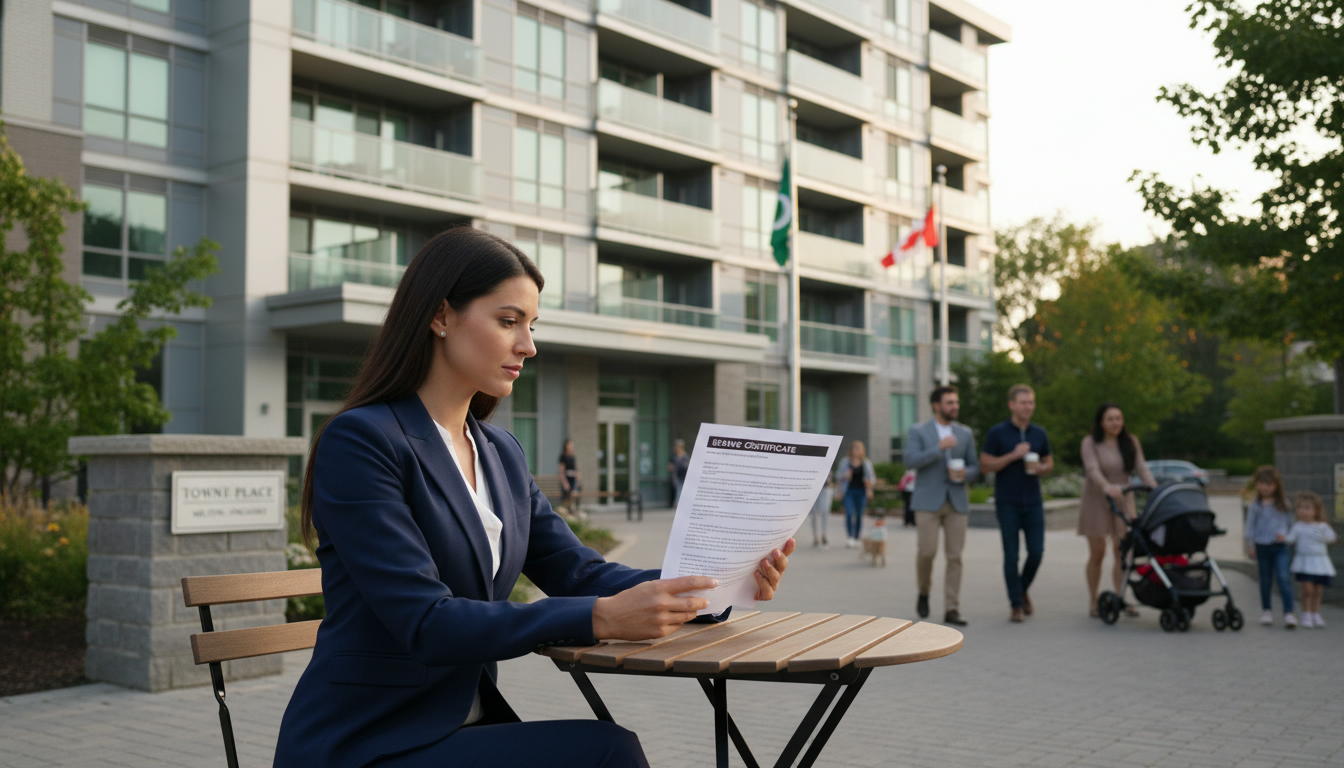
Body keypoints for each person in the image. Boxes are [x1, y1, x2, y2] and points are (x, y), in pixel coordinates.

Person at [273, 228, 796, 768]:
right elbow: (427, 622)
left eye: (531, 324)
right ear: (441, 316)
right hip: (366, 742)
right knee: (607, 752)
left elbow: (579, 572)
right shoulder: (362, 441)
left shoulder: (499, 451)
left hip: (457, 731)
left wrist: (711, 582)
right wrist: (598, 618)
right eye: (508, 321)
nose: (528, 344)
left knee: (606, 747)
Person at [979, 384, 1054, 623]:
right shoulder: (998, 433)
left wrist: (1042, 468)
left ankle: (1021, 590)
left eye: (1031, 403)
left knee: (1037, 553)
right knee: (1011, 556)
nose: (1028, 407)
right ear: (1012, 405)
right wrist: (1013, 455)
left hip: (1033, 502)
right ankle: (1015, 604)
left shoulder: (1039, 433)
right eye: (1023, 403)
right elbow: (985, 464)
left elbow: (1049, 462)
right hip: (1007, 502)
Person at [905, 385, 979, 627]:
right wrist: (938, 448)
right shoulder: (919, 431)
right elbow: (910, 460)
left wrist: (965, 474)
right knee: (927, 552)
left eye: (956, 402)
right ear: (936, 405)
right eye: (949, 403)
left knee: (955, 556)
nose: (955, 406)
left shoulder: (965, 433)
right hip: (927, 502)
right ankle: (924, 591)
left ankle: (952, 608)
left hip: (957, 501)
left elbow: (975, 467)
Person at [1078, 402, 1157, 618]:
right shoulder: (1090, 442)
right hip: (1097, 497)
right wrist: (1106, 487)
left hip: (1123, 496)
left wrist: (1155, 488)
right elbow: (1092, 468)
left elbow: (1141, 467)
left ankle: (1120, 596)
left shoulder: (1130, 442)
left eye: (1118, 418)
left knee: (1122, 551)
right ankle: (1094, 600)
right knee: (1098, 552)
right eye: (1110, 419)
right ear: (1101, 422)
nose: (1115, 423)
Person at [1243, 465, 1296, 627]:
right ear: (1257, 484)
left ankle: (1289, 612)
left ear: (1276, 485)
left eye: (1269, 484)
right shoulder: (1255, 506)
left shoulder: (1284, 504)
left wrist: (1286, 537)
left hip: (1280, 547)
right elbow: (1250, 527)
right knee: (1265, 579)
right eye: (1261, 483)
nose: (1265, 487)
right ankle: (1266, 611)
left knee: (1283, 577)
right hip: (1261, 546)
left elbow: (1291, 525)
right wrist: (1251, 545)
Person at [1286, 491, 1337, 629]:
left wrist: (1322, 535)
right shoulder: (1298, 527)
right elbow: (1290, 539)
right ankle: (1306, 613)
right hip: (1305, 562)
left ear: (1315, 511)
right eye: (1300, 508)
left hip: (1319, 562)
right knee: (1307, 589)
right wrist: (1282, 538)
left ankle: (1316, 613)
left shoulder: (1322, 526)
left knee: (1318, 589)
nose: (1303, 512)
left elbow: (1331, 537)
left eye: (1307, 508)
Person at [835, 440, 876, 549]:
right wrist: (845, 475)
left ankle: (857, 537)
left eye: (859, 448)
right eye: (854, 448)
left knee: (859, 515)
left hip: (861, 492)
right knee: (849, 513)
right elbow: (838, 476)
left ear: (862, 450)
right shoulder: (845, 462)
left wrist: (869, 485)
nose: (856, 450)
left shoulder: (866, 463)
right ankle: (850, 537)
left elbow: (872, 478)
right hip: (848, 491)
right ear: (851, 450)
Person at [810, 474, 833, 548]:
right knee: (813, 514)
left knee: (824, 512)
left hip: (824, 488)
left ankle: (824, 534)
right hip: (812, 488)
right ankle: (815, 536)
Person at [557, 438, 580, 512]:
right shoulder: (563, 457)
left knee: (573, 495)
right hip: (567, 479)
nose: (571, 446)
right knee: (566, 497)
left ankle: (571, 511)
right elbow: (561, 471)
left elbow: (576, 468)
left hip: (573, 479)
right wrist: (565, 483)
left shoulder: (573, 457)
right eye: (569, 445)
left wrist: (577, 475)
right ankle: (565, 512)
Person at [668, 439, 690, 505]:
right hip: (677, 476)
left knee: (683, 490)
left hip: (684, 476)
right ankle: (678, 504)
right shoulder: (673, 457)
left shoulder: (685, 456)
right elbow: (670, 467)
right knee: (678, 490)